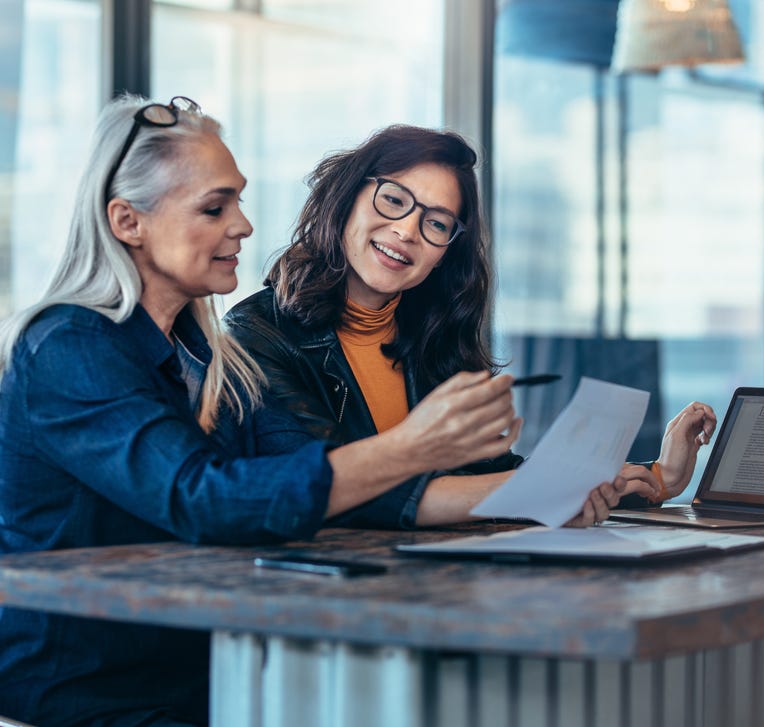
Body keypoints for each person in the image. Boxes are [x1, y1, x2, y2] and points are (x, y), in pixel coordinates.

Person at [0, 96, 626, 727]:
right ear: (127, 221)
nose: (243, 225)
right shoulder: (68, 346)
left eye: (239, 200)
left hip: (203, 678)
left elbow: (301, 478)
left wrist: (570, 484)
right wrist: (414, 446)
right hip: (80, 699)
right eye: (214, 206)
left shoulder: (203, 352)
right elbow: (203, 498)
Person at [224, 125, 718, 527]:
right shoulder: (255, 336)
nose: (407, 231)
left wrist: (659, 476)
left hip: (433, 588)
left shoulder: (430, 338)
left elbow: (488, 476)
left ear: (445, 254)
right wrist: (546, 491)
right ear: (347, 198)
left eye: (436, 223)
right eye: (393, 200)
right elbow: (335, 490)